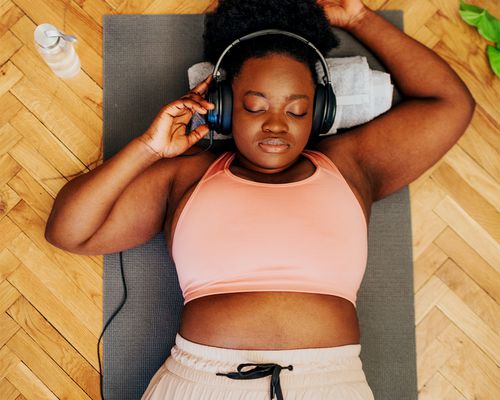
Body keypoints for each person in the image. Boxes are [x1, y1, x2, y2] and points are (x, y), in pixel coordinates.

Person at [44, 0, 475, 399]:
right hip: (203, 381)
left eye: (297, 110)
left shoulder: (350, 166)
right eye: (254, 107)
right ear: (224, 107)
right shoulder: (187, 175)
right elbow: (69, 232)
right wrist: (149, 148)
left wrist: (360, 19)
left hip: (331, 383)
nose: (276, 125)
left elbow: (449, 104)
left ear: (321, 111)